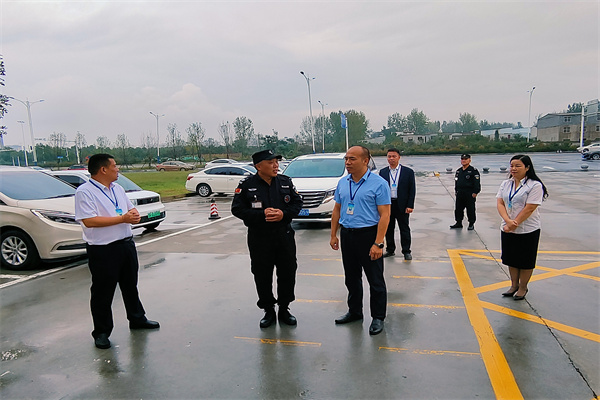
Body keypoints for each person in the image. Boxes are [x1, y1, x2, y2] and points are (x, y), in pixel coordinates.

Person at [75, 154, 159, 350]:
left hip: (125, 244)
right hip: (103, 249)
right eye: (114, 165)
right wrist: (122, 219)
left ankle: (137, 318)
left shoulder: (117, 189)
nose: (118, 168)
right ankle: (102, 332)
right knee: (103, 292)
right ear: (103, 169)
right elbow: (89, 220)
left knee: (130, 285)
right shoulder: (85, 192)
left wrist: (134, 215)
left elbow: (129, 209)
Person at [231, 149, 303, 328]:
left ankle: (284, 308)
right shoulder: (247, 185)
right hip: (259, 237)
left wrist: (283, 214)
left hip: (284, 236)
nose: (276, 165)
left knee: (287, 272)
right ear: (258, 166)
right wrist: (261, 214)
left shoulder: (285, 182)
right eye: (271, 162)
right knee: (262, 274)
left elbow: (297, 203)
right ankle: (268, 309)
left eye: (276, 162)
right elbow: (237, 209)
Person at [330, 146, 391, 335]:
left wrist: (378, 243)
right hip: (348, 235)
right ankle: (355, 311)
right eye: (346, 159)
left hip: (369, 235)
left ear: (365, 161)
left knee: (375, 279)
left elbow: (385, 215)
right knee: (351, 277)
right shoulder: (343, 182)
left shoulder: (379, 184)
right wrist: (333, 234)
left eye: (352, 159)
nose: (348, 163)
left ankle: (378, 317)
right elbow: (337, 209)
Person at [496, 155, 548, 301]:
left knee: (525, 261)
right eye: (512, 165)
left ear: (527, 168)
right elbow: (500, 203)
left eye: (518, 166)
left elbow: (530, 208)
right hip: (507, 227)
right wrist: (508, 221)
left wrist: (515, 223)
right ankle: (514, 285)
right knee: (511, 259)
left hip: (528, 229)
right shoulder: (506, 184)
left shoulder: (534, 185)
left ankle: (523, 287)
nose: (513, 169)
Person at [379, 148, 416, 260]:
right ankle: (390, 249)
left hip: (402, 205)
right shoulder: (383, 172)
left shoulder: (408, 172)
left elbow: (412, 190)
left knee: (404, 228)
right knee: (388, 228)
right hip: (388, 204)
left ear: (399, 157)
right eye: (389, 156)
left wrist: (410, 205)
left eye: (394, 156)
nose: (391, 159)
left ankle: (406, 251)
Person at [450, 154, 481, 230]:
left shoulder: (473, 171)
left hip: (469, 193)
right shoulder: (459, 171)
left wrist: (475, 192)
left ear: (469, 160)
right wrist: (456, 191)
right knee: (458, 209)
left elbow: (477, 183)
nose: (463, 160)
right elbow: (456, 182)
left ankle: (471, 223)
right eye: (462, 159)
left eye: (465, 159)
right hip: (460, 193)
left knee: (470, 209)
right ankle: (458, 222)